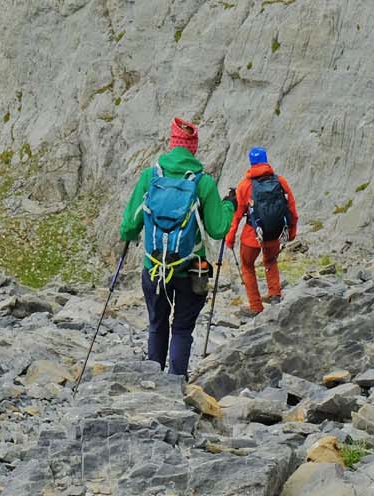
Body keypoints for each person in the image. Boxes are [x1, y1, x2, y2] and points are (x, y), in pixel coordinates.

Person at [118, 118, 234, 375]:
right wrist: (229, 205)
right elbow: (218, 229)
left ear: (171, 144)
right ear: (193, 148)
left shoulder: (150, 176)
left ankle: (153, 381)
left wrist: (133, 234)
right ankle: (177, 383)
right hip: (192, 270)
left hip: (154, 266)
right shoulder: (203, 183)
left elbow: (128, 227)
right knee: (181, 329)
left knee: (157, 324)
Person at [226, 145, 298, 314]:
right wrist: (292, 232)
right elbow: (291, 208)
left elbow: (237, 215)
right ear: (265, 160)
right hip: (275, 233)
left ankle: (256, 306)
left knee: (247, 266)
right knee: (270, 261)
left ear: (251, 163)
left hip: (253, 237)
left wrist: (230, 237)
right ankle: (274, 294)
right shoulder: (280, 181)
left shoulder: (244, 185)